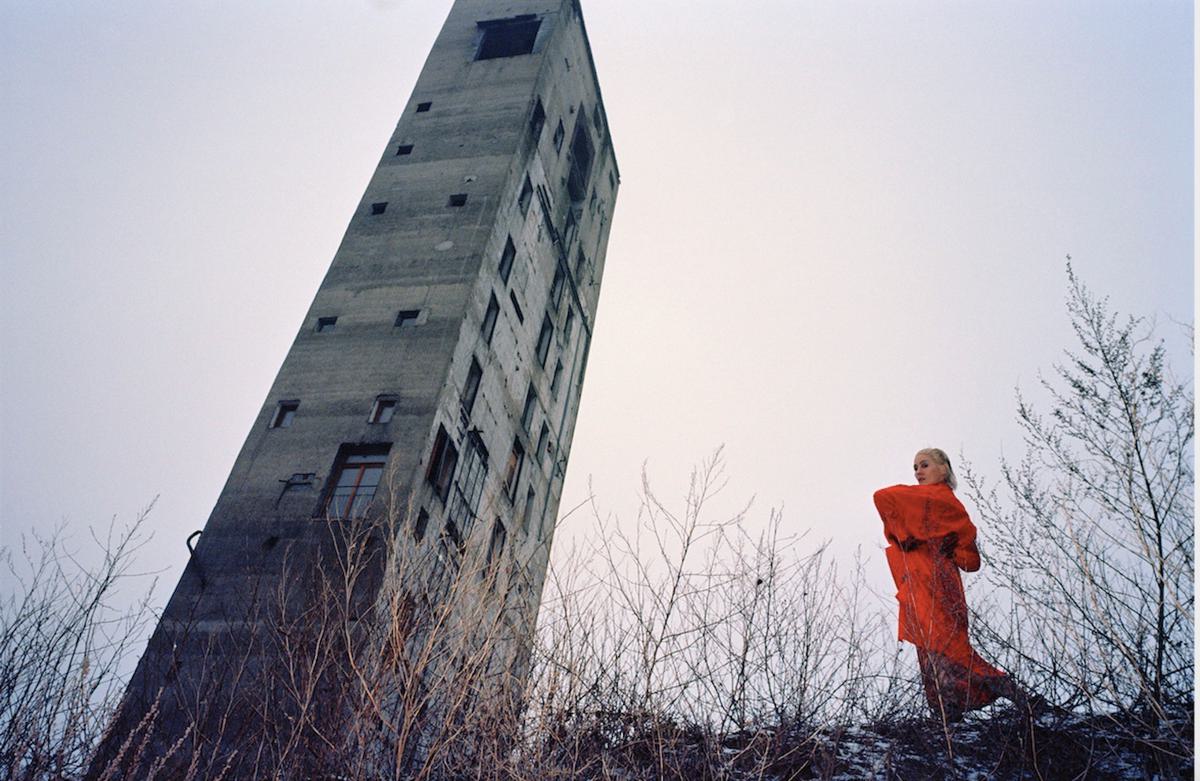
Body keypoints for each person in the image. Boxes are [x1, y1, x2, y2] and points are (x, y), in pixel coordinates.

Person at [873, 448, 1025, 722]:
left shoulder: (937, 500)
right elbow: (969, 560)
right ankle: (947, 715)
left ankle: (1007, 690)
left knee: (946, 645)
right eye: (915, 467)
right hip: (924, 582)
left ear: (944, 469)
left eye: (925, 465)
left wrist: (912, 536)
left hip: (934, 583)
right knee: (933, 649)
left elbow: (882, 496)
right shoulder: (933, 504)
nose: (918, 471)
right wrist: (909, 536)